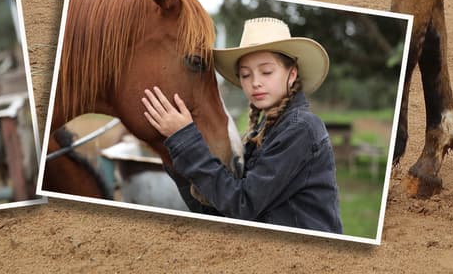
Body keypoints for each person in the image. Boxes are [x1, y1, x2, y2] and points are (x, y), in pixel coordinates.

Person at [143, 17, 341, 234]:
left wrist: (186, 139)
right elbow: (222, 212)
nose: (255, 82)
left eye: (266, 72)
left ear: (292, 74)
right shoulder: (261, 134)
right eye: (246, 75)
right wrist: (174, 149)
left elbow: (242, 206)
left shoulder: (302, 128)